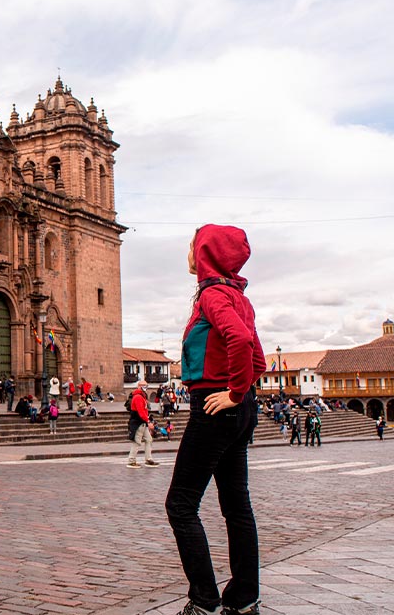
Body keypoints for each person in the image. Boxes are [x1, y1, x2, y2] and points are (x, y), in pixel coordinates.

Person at [165, 225, 264, 615]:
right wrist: (243, 395)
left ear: (205, 253)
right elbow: (258, 359)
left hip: (214, 406)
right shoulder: (239, 296)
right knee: (236, 505)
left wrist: (232, 393)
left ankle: (204, 601)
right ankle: (243, 601)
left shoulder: (211, 295)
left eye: (191, 246)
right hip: (238, 410)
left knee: (181, 505)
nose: (188, 253)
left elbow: (240, 341)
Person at [127, 379, 157, 467]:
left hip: (142, 422)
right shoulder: (138, 397)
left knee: (149, 439)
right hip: (138, 422)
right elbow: (141, 412)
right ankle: (131, 460)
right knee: (137, 441)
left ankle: (148, 459)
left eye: (146, 386)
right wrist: (148, 421)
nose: (146, 388)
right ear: (139, 386)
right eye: (144, 386)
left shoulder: (142, 396)